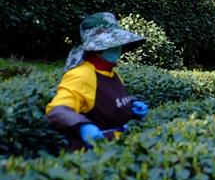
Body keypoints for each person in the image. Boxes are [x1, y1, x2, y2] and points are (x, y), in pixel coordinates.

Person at [45, 12, 149, 150]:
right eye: (113, 43)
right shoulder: (81, 75)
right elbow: (57, 111)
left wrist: (131, 105)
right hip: (92, 154)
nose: (118, 48)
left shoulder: (111, 72)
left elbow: (106, 100)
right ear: (98, 48)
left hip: (116, 148)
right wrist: (82, 126)